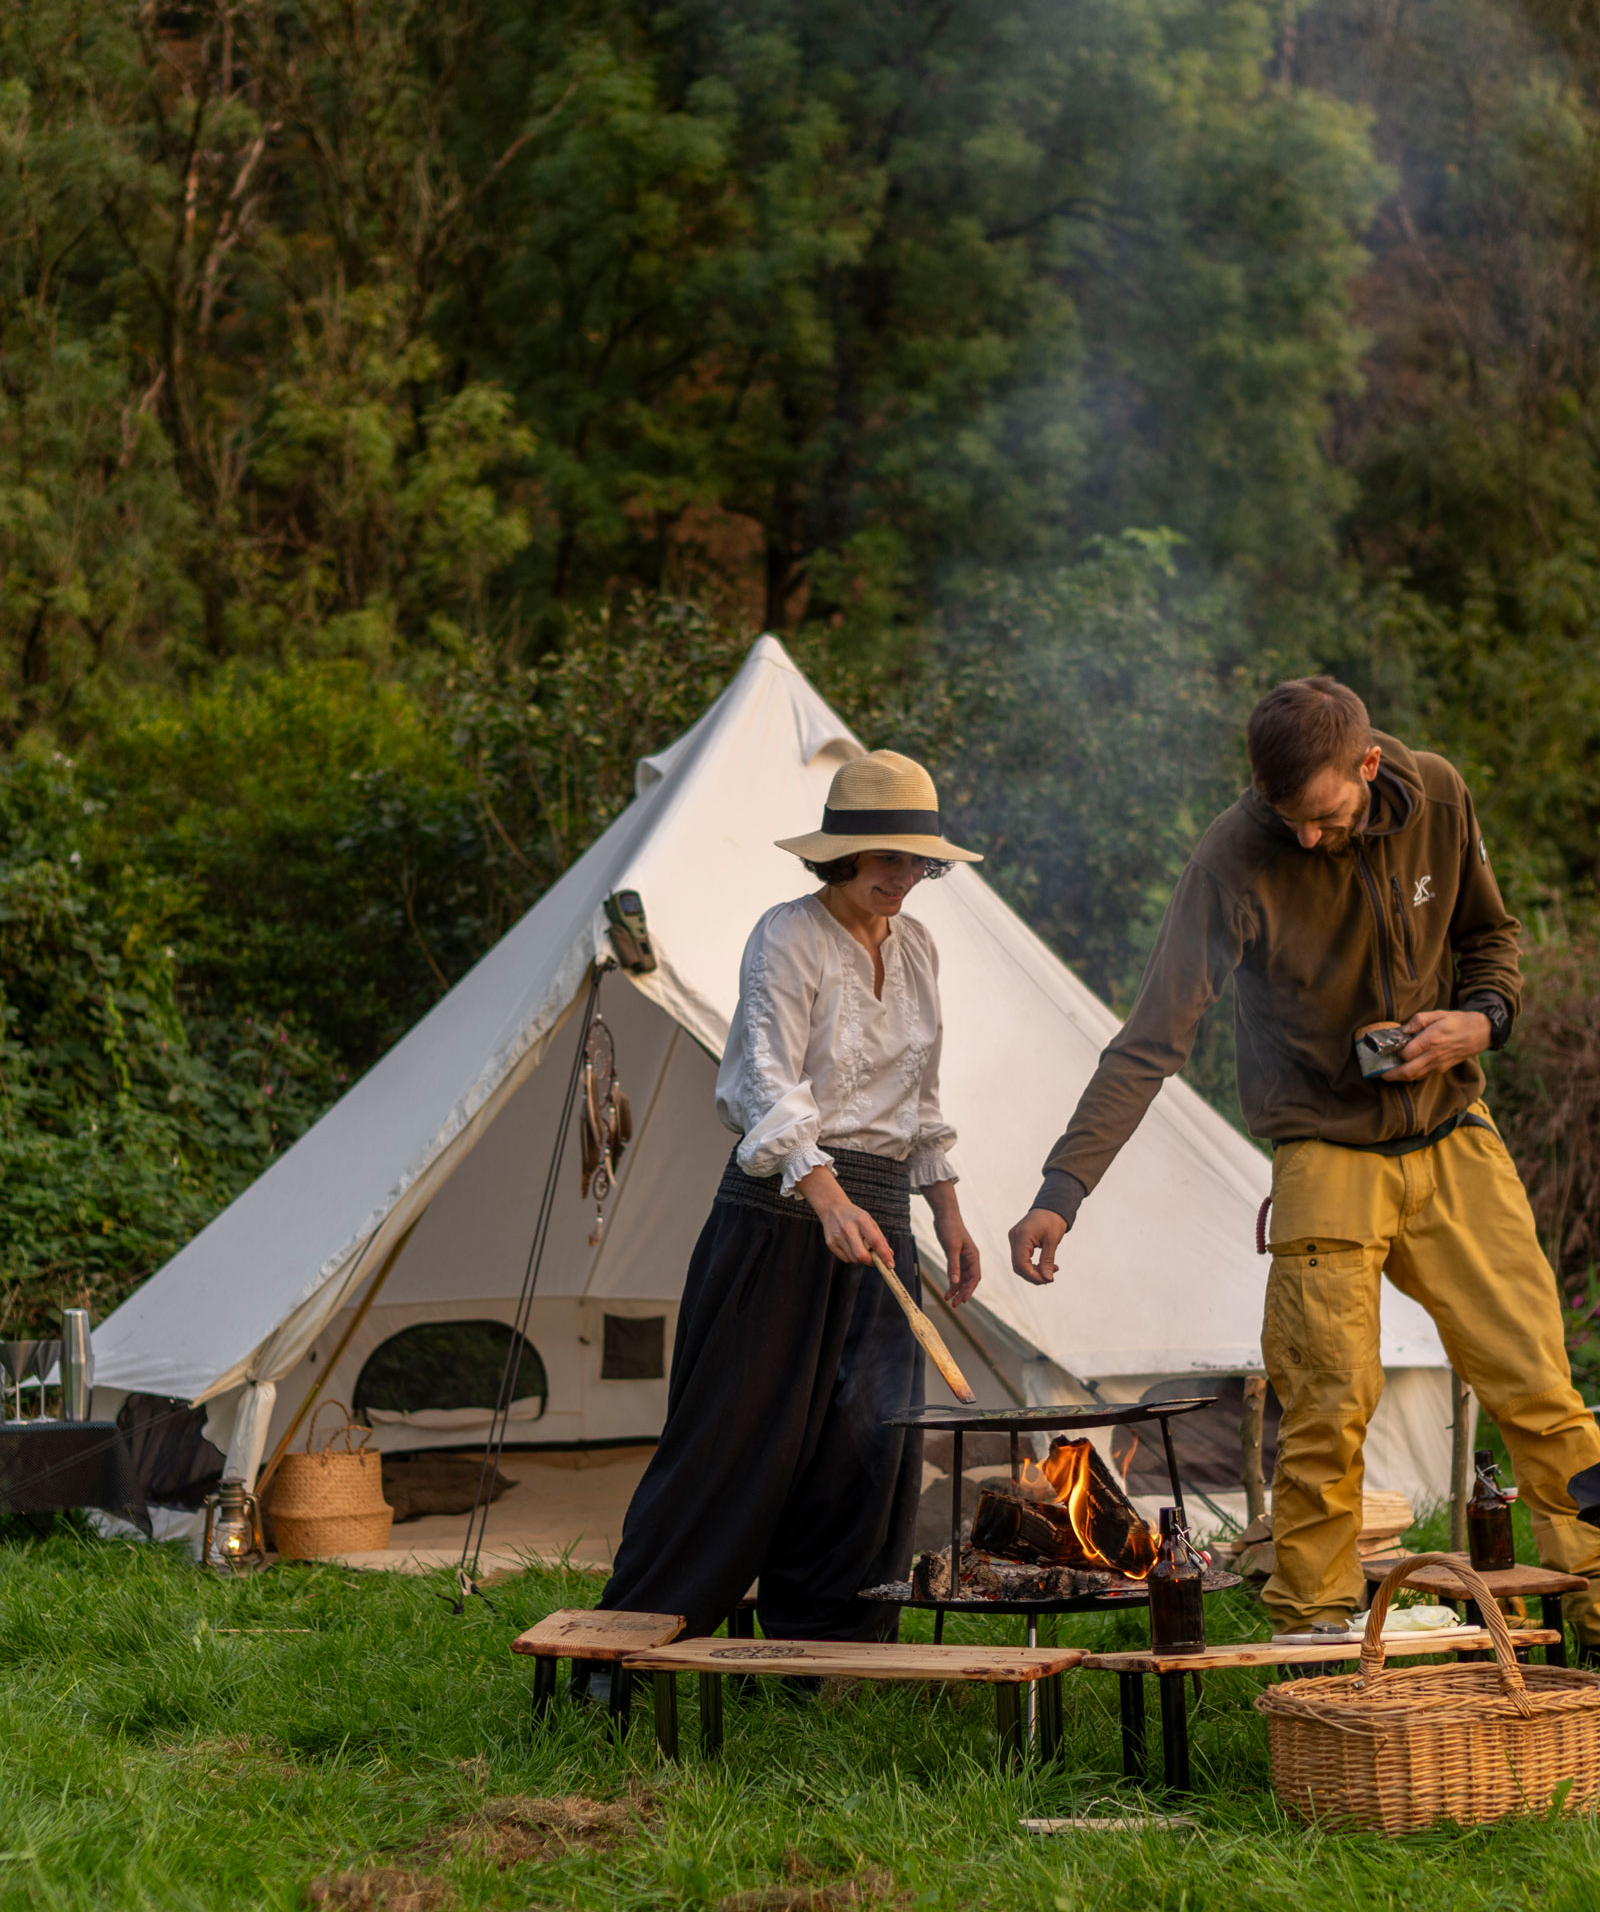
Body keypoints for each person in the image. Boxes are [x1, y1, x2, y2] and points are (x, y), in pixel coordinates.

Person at [1007, 676, 1600, 1648]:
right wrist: (1060, 1192)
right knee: (1325, 1402)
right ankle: (1316, 1635)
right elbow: (1152, 1040)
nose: (1309, 839)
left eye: (1323, 818)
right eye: (1290, 821)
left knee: (1538, 1388)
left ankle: (1595, 1601)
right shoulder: (1234, 857)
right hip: (1324, 1148)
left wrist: (1477, 1022)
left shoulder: (1440, 797)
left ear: (1367, 766)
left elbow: (1489, 938)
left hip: (1453, 1135)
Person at [599, 749, 983, 1650]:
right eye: (887, 857)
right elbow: (762, 1083)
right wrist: (823, 1192)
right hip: (778, 1216)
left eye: (919, 860)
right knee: (736, 1441)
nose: (905, 877)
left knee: (869, 1445)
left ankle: (826, 1653)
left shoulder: (919, 949)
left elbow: (921, 1101)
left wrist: (949, 1212)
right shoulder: (788, 935)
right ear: (840, 856)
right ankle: (634, 1640)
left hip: (882, 1216)